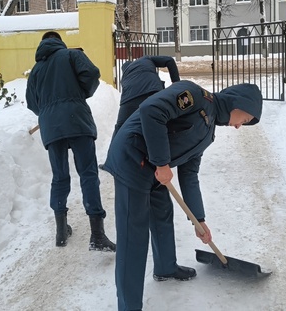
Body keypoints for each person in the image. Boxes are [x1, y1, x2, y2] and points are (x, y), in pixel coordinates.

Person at [103, 80, 263, 311]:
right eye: (245, 120)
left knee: (163, 213)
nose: (239, 126)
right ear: (238, 104)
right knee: (133, 236)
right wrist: (162, 162)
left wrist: (199, 220)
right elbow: (151, 111)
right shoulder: (194, 95)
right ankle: (128, 306)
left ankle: (165, 267)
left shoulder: (208, 133)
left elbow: (190, 175)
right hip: (131, 158)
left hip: (153, 168)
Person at [26, 31, 115, 252]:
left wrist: (47, 111)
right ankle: (97, 235)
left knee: (59, 176)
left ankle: (60, 231)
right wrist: (80, 94)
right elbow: (92, 74)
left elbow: (31, 102)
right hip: (77, 120)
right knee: (88, 173)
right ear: (59, 41)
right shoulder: (71, 55)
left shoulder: (36, 70)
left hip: (51, 127)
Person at [98, 55, 181, 170]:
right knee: (158, 124)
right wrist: (176, 82)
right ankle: (164, 161)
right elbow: (169, 60)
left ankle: (110, 163)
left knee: (120, 128)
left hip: (129, 99)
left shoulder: (125, 76)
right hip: (153, 92)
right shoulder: (146, 59)